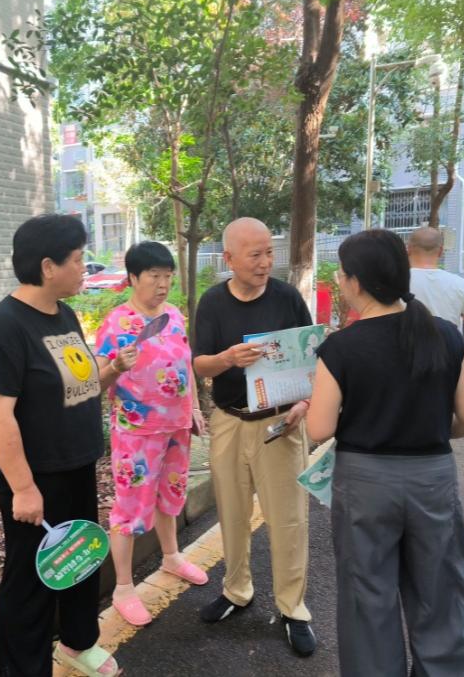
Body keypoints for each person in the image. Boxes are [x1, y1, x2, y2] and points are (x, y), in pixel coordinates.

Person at [305, 229, 464, 677]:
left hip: (365, 484)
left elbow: (319, 428)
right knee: (440, 594)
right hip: (433, 478)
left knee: (368, 597)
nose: (341, 281)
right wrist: (430, 430)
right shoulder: (445, 335)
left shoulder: (341, 348)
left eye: (342, 274)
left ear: (356, 282)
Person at [0, 215, 131, 677]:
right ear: (48, 267)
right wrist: (23, 488)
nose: (85, 268)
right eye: (78, 259)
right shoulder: (3, 328)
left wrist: (114, 369)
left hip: (76, 463)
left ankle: (79, 644)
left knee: (79, 557)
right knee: (31, 578)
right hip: (36, 476)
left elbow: (79, 385)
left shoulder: (63, 315)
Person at [193, 217, 317, 657]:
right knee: (232, 513)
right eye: (256, 255)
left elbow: (311, 357)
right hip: (229, 420)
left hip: (282, 421)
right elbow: (199, 364)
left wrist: (305, 403)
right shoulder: (213, 303)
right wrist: (227, 358)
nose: (266, 262)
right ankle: (236, 590)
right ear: (229, 259)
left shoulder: (287, 298)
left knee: (289, 518)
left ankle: (293, 607)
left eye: (269, 253)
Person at [93, 241, 209, 627]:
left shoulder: (173, 315)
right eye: (154, 276)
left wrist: (194, 408)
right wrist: (114, 368)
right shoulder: (115, 324)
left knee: (170, 496)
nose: (163, 284)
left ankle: (172, 556)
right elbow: (93, 383)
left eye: (168, 277)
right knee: (130, 508)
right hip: (137, 433)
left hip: (177, 426)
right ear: (132, 278)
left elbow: (185, 365)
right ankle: (123, 587)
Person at [407, 226, 464, 391]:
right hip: (447, 362)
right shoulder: (459, 284)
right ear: (441, 251)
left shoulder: (395, 282)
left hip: (404, 360)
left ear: (408, 249)